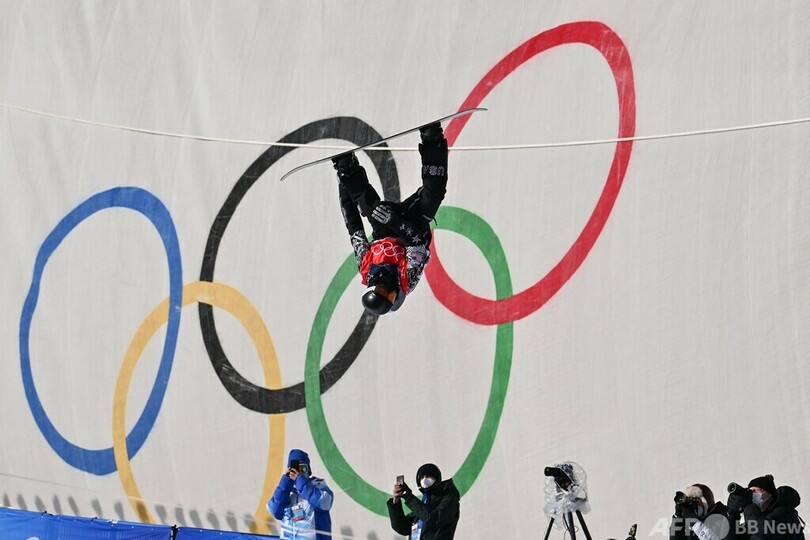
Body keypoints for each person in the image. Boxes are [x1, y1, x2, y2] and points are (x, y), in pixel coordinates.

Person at [332, 122, 449, 315]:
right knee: (434, 194)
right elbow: (416, 243)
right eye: (392, 295)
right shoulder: (407, 280)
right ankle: (432, 139)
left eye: (383, 290)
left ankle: (349, 168)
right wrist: (394, 221)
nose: (389, 288)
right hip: (413, 226)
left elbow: (354, 227)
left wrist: (344, 180)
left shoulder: (366, 266)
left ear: (372, 286)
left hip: (384, 227)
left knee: (370, 209)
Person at [266, 449, 334, 540]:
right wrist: (285, 483)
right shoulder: (287, 491)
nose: (299, 473)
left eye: (303, 469)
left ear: (309, 470)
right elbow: (274, 510)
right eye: (296, 469)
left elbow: (325, 503)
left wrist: (300, 481)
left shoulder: (317, 484)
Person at [387, 463, 460, 540]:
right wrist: (396, 501)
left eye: (428, 476)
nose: (424, 480)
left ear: (436, 478)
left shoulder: (449, 498)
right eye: (421, 477)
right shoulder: (424, 503)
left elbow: (434, 519)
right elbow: (401, 527)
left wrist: (408, 497)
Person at [726, 474, 804, 540]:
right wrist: (733, 514)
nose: (752, 495)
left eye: (755, 491)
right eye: (750, 492)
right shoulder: (755, 517)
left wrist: (748, 506)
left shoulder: (785, 513)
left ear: (769, 494)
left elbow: (762, 534)